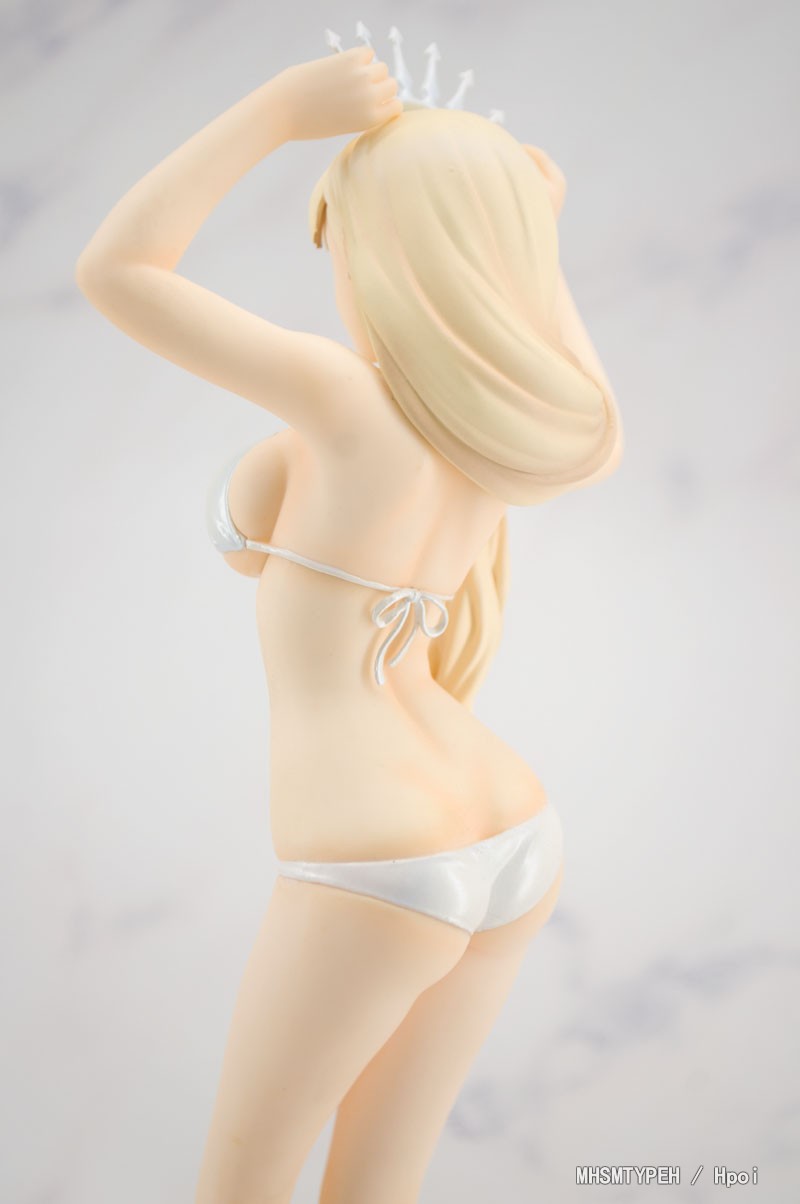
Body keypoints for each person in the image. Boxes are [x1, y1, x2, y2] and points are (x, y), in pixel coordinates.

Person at [75, 29, 623, 1204]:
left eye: (338, 239)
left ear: (382, 252)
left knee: (241, 1186)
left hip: (377, 850)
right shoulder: (507, 429)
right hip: (510, 823)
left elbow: (117, 269)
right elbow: (586, 404)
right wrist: (535, 232)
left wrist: (276, 112)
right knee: (380, 1186)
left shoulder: (343, 402)